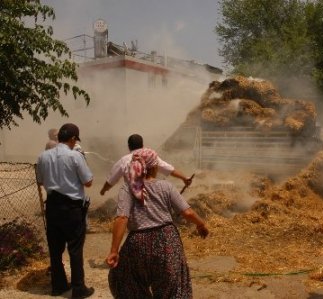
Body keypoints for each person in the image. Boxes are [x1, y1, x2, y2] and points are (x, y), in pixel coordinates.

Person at [105, 148, 208, 298]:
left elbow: (121, 218)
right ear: (153, 167)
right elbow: (187, 212)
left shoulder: (127, 189)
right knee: (172, 287)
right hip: (167, 241)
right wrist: (201, 224)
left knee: (123, 278)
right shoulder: (166, 186)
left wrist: (114, 251)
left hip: (138, 244)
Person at [36, 123, 95, 298]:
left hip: (52, 206)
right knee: (75, 249)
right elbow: (88, 182)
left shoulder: (43, 156)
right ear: (72, 139)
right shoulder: (75, 156)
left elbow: (40, 181)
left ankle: (58, 286)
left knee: (55, 250)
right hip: (72, 208)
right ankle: (78, 289)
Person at [100, 134, 192, 196]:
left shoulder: (124, 160)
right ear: (142, 144)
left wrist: (103, 190)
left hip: (133, 196)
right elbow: (170, 170)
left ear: (128, 146)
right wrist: (184, 178)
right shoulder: (151, 156)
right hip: (151, 195)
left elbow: (111, 180)